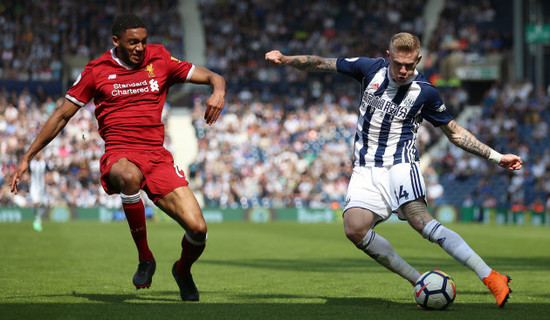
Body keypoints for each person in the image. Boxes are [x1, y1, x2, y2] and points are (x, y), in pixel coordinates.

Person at [265, 32, 522, 308]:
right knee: (354, 229)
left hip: (400, 164)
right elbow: (320, 63)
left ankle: (491, 277)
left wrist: (496, 157)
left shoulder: (425, 91)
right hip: (365, 169)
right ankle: (418, 280)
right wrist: (286, 59)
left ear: (418, 60)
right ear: (388, 56)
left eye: (409, 65)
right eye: (398, 63)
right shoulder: (369, 69)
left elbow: (455, 133)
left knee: (420, 221)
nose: (403, 71)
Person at [10, 13, 226, 302]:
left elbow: (214, 76)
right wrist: (28, 156)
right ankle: (145, 257)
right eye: (133, 42)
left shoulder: (159, 59)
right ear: (116, 41)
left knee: (198, 230)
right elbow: (62, 115)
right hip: (120, 153)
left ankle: (182, 271)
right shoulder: (96, 71)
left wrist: (218, 90)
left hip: (157, 156)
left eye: (143, 41)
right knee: (127, 175)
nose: (140, 48)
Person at [29, 152, 47, 232]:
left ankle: (38, 218)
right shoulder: (31, 163)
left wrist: (48, 178)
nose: (38, 154)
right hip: (34, 187)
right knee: (36, 203)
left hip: (42, 187)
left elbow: (49, 172)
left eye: (39, 153)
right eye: (37, 153)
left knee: (43, 205)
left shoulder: (44, 163)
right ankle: (37, 219)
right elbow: (28, 173)